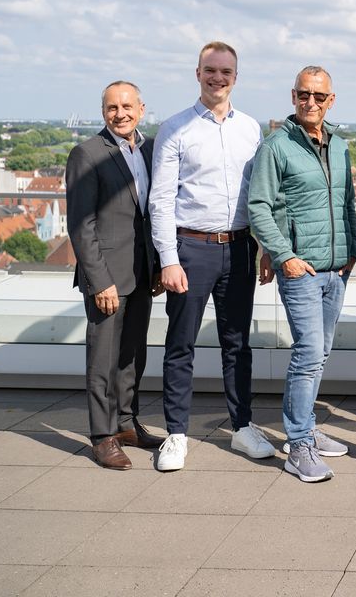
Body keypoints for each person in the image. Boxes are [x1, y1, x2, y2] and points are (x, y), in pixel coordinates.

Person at [150, 42, 271, 472]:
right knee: (180, 344)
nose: (217, 78)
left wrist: (265, 247)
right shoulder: (175, 128)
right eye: (210, 70)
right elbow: (161, 200)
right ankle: (176, 434)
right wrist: (168, 259)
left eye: (226, 72)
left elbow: (262, 195)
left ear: (236, 77)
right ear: (197, 73)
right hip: (191, 250)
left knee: (238, 344)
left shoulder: (251, 129)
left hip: (239, 248)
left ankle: (242, 428)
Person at [248, 66, 356, 483]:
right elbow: (258, 206)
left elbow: (347, 200)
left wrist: (352, 249)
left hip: (336, 269)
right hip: (301, 270)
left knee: (321, 353)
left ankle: (307, 425)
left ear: (331, 100)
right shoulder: (277, 146)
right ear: (293, 96)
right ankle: (298, 445)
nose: (310, 102)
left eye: (318, 96)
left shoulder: (340, 145)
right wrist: (283, 256)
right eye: (302, 95)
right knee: (308, 353)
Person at [66, 81, 165, 469]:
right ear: (103, 111)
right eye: (112, 108)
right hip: (107, 276)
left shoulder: (151, 148)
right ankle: (102, 436)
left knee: (132, 356)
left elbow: (154, 211)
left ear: (141, 108)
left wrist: (156, 265)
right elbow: (81, 224)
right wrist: (98, 280)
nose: (120, 114)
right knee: (102, 360)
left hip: (142, 272)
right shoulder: (87, 154)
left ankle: (126, 424)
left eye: (127, 106)